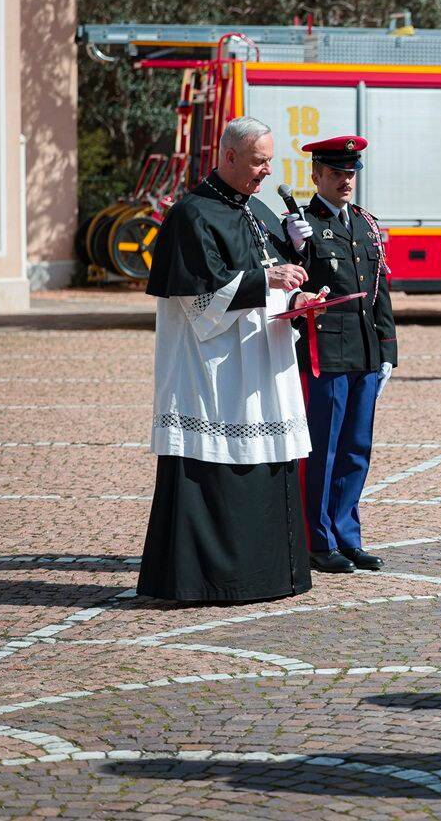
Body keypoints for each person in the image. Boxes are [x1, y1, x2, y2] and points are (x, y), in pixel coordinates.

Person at [139, 116, 321, 603]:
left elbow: (275, 280)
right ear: (229, 155)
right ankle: (217, 581)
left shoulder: (256, 209)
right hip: (215, 373)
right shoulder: (191, 214)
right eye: (259, 161)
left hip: (259, 365)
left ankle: (271, 574)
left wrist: (299, 297)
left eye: (269, 161)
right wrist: (269, 281)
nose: (266, 171)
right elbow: (199, 301)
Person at [284, 135, 397, 576]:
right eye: (335, 173)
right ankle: (317, 539)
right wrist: (294, 246)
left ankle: (349, 537)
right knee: (323, 450)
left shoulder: (366, 223)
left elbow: (379, 291)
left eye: (350, 173)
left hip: (366, 352)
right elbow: (290, 284)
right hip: (325, 352)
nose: (345, 181)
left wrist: (387, 349)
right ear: (316, 176)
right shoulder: (301, 224)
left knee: (356, 449)